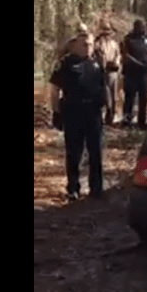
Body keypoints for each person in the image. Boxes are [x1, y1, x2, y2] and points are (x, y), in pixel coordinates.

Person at [49, 33, 107, 201]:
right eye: (84, 44)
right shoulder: (65, 64)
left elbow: (104, 86)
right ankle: (73, 187)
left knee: (95, 151)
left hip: (93, 113)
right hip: (73, 112)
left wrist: (108, 105)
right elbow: (54, 89)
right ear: (75, 46)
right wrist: (56, 111)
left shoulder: (97, 62)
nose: (87, 47)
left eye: (89, 44)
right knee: (74, 152)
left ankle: (96, 188)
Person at [49, 21, 89, 123]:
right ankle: (58, 114)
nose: (82, 35)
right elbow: (61, 58)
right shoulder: (70, 45)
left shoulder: (89, 47)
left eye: (84, 32)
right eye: (80, 32)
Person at [120, 19, 147, 129]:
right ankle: (127, 120)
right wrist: (139, 63)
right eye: (139, 26)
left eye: (143, 26)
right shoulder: (128, 39)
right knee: (129, 97)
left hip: (145, 73)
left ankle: (142, 121)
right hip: (131, 72)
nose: (142, 28)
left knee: (143, 97)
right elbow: (125, 55)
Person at [92, 20, 120, 126]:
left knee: (113, 95)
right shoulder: (97, 43)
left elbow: (118, 55)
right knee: (105, 95)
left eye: (108, 30)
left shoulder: (114, 43)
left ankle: (111, 117)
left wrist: (116, 62)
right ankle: (103, 116)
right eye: (104, 30)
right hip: (101, 72)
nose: (107, 33)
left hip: (113, 73)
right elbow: (95, 55)